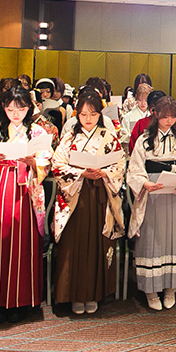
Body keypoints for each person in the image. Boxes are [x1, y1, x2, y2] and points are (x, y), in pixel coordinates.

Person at [0, 87, 53, 322]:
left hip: (25, 190)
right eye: (10, 109)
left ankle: (23, 301)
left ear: (29, 108)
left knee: (24, 243)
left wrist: (34, 162)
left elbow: (46, 159)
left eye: (20, 109)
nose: (15, 114)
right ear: (4, 108)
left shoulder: (37, 131)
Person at [51, 89, 125, 315]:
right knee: (74, 245)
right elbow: (57, 165)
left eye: (93, 114)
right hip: (76, 198)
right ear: (77, 114)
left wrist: (104, 173)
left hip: (100, 195)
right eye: (83, 114)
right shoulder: (69, 137)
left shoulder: (108, 136)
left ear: (100, 114)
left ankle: (94, 294)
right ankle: (74, 295)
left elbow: (119, 164)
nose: (88, 119)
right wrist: (81, 173)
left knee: (97, 244)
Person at [127, 96, 176, 311]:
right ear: (156, 114)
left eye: (173, 117)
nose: (169, 121)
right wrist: (144, 183)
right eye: (165, 116)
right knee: (152, 239)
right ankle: (150, 291)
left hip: (175, 194)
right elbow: (135, 168)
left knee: (173, 238)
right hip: (152, 194)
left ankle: (170, 288)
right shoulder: (144, 140)